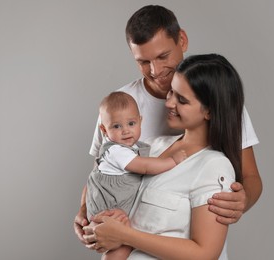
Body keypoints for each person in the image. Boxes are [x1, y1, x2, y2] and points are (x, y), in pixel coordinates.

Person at [74, 4, 262, 245]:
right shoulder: (117, 107)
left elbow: (250, 176)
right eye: (143, 62)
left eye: (163, 56)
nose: (155, 70)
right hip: (131, 240)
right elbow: (101, 172)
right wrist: (85, 211)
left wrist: (242, 200)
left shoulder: (217, 101)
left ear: (182, 40)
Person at [84, 53, 245, 259]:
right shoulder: (152, 147)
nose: (169, 103)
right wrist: (101, 220)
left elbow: (205, 254)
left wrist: (125, 235)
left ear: (209, 111)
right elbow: (105, 179)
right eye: (171, 93)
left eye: (182, 100)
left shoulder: (214, 166)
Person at [86, 91, 186, 259]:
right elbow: (145, 166)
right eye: (116, 126)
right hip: (108, 207)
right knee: (121, 245)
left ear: (140, 121)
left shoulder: (135, 147)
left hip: (116, 204)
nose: (125, 131)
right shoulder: (116, 151)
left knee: (125, 244)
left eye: (131, 123)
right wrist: (172, 161)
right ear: (104, 129)